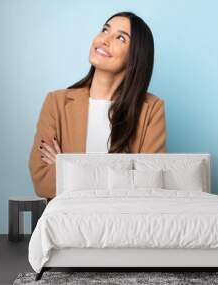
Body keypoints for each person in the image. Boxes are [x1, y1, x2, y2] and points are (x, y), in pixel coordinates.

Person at [28, 11, 167, 200]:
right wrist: (120, 175)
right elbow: (42, 181)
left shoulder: (151, 110)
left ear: (135, 57)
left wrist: (67, 168)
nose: (104, 40)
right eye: (104, 30)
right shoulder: (56, 103)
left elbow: (148, 185)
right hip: (69, 221)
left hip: (124, 222)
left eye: (120, 38)